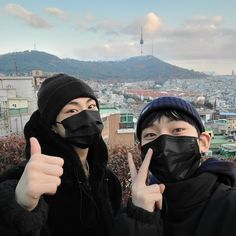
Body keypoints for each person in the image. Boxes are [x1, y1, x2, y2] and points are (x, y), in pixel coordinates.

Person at [0, 73, 122, 236]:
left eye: (91, 106)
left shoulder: (108, 180)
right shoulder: (28, 181)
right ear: (53, 126)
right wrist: (19, 207)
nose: (86, 115)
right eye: (72, 110)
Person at [112, 96, 236, 236]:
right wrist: (139, 218)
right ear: (141, 151)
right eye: (151, 134)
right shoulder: (130, 215)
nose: (164, 144)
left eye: (177, 130)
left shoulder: (230, 206)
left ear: (203, 142)